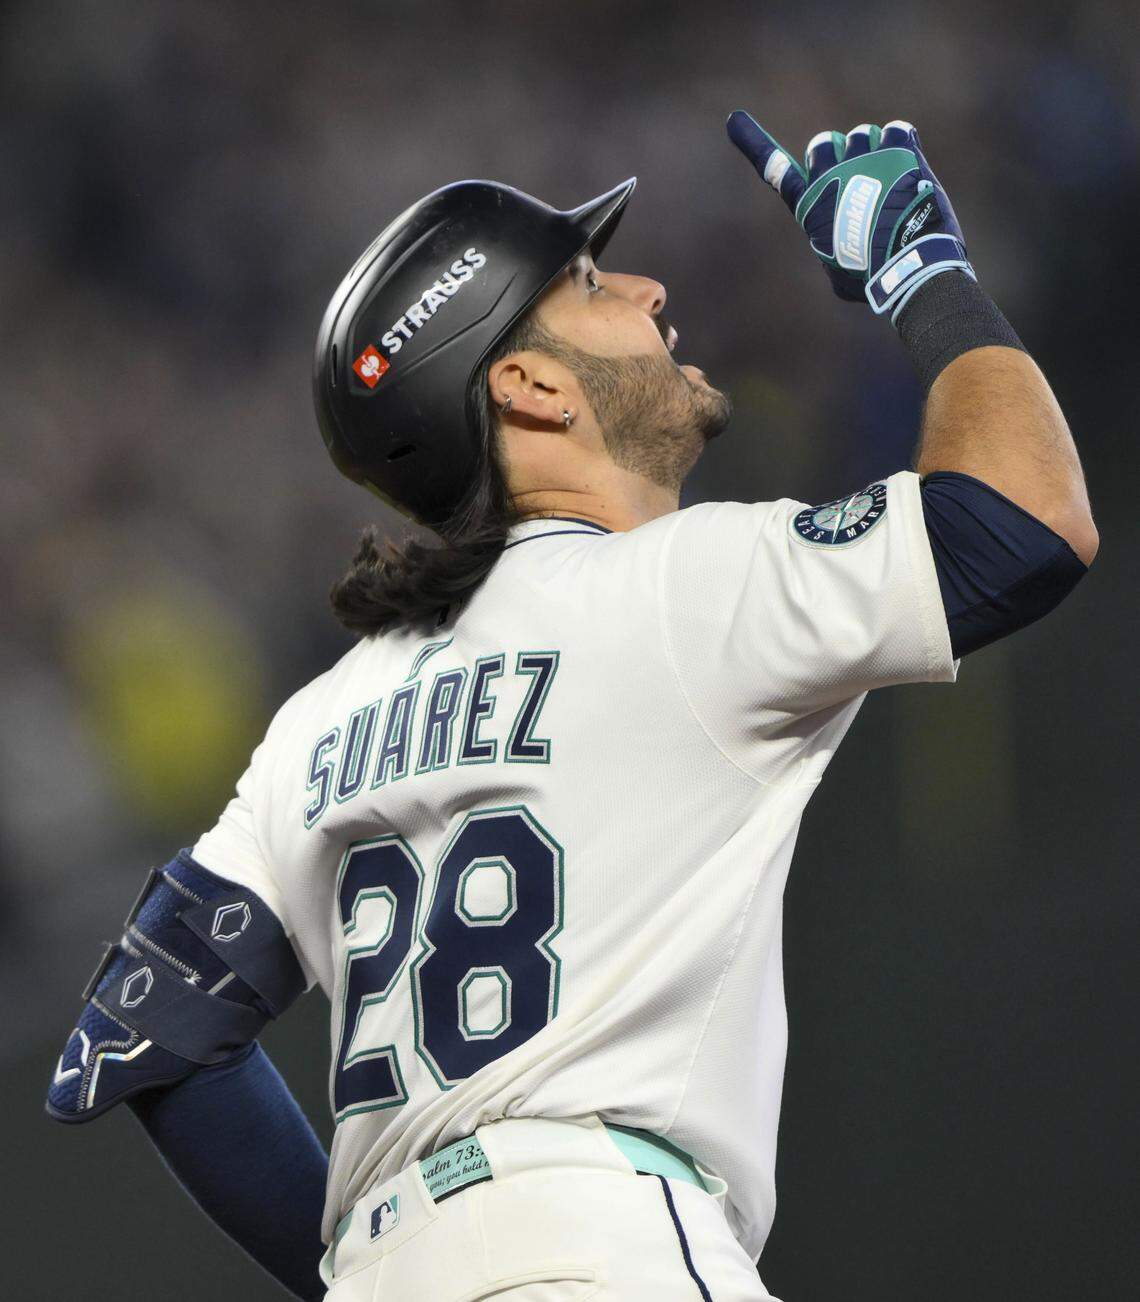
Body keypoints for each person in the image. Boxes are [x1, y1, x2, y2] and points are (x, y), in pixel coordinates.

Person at [48, 113, 1096, 1301]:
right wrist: (927, 278)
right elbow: (1025, 520)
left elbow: (150, 1033)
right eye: (595, 283)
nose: (651, 292)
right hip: (613, 1247)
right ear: (531, 385)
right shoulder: (685, 585)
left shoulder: (317, 722)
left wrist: (387, 1267)